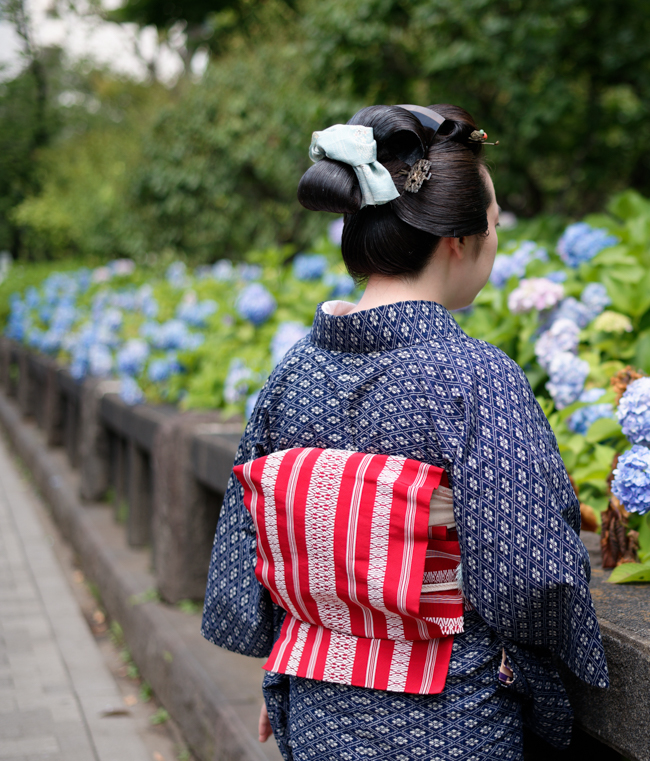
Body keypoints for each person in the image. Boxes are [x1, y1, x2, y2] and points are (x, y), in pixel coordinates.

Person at [201, 103, 608, 761]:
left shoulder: (292, 373)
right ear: (458, 241)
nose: (495, 241)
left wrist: (294, 648)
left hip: (314, 710)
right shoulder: (475, 377)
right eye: (495, 225)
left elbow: (251, 548)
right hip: (454, 717)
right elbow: (535, 578)